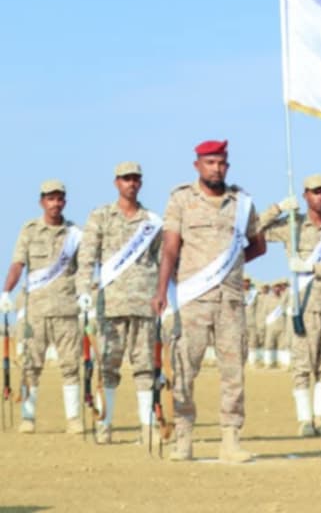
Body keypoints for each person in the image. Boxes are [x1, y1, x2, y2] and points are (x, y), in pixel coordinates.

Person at [149, 140, 266, 463]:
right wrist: (161, 291)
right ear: (197, 165)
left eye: (222, 163)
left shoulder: (242, 203)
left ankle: (230, 439)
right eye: (211, 162)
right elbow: (170, 249)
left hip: (230, 300)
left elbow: (259, 246)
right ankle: (183, 438)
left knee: (233, 371)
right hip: (193, 299)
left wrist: (230, 267)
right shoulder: (181, 200)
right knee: (184, 370)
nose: (217, 168)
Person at [260, 173, 321, 437]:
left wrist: (312, 267)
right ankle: (304, 420)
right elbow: (255, 228)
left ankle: (320, 418)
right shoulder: (293, 226)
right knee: (302, 364)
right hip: (303, 305)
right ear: (305, 196)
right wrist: (279, 208)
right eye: (315, 192)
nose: (320, 197)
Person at [76, 162, 163, 444]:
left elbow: (162, 259)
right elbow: (87, 257)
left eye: (136, 179)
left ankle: (148, 426)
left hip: (144, 303)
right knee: (107, 367)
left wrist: (167, 296)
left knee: (145, 367)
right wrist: (83, 290)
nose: (131, 183)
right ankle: (105, 425)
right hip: (110, 304)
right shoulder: (101, 216)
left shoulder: (151, 221)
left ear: (141, 183)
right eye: (126, 179)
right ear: (117, 182)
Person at [1, 180, 83, 434]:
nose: (55, 203)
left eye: (59, 199)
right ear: (42, 202)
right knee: (31, 365)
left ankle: (73, 419)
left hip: (67, 310)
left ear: (64, 202)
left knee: (70, 366)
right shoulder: (29, 231)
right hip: (35, 310)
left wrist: (86, 295)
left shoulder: (75, 234)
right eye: (50, 198)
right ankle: (28, 418)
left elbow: (84, 269)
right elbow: (17, 264)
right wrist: (6, 291)